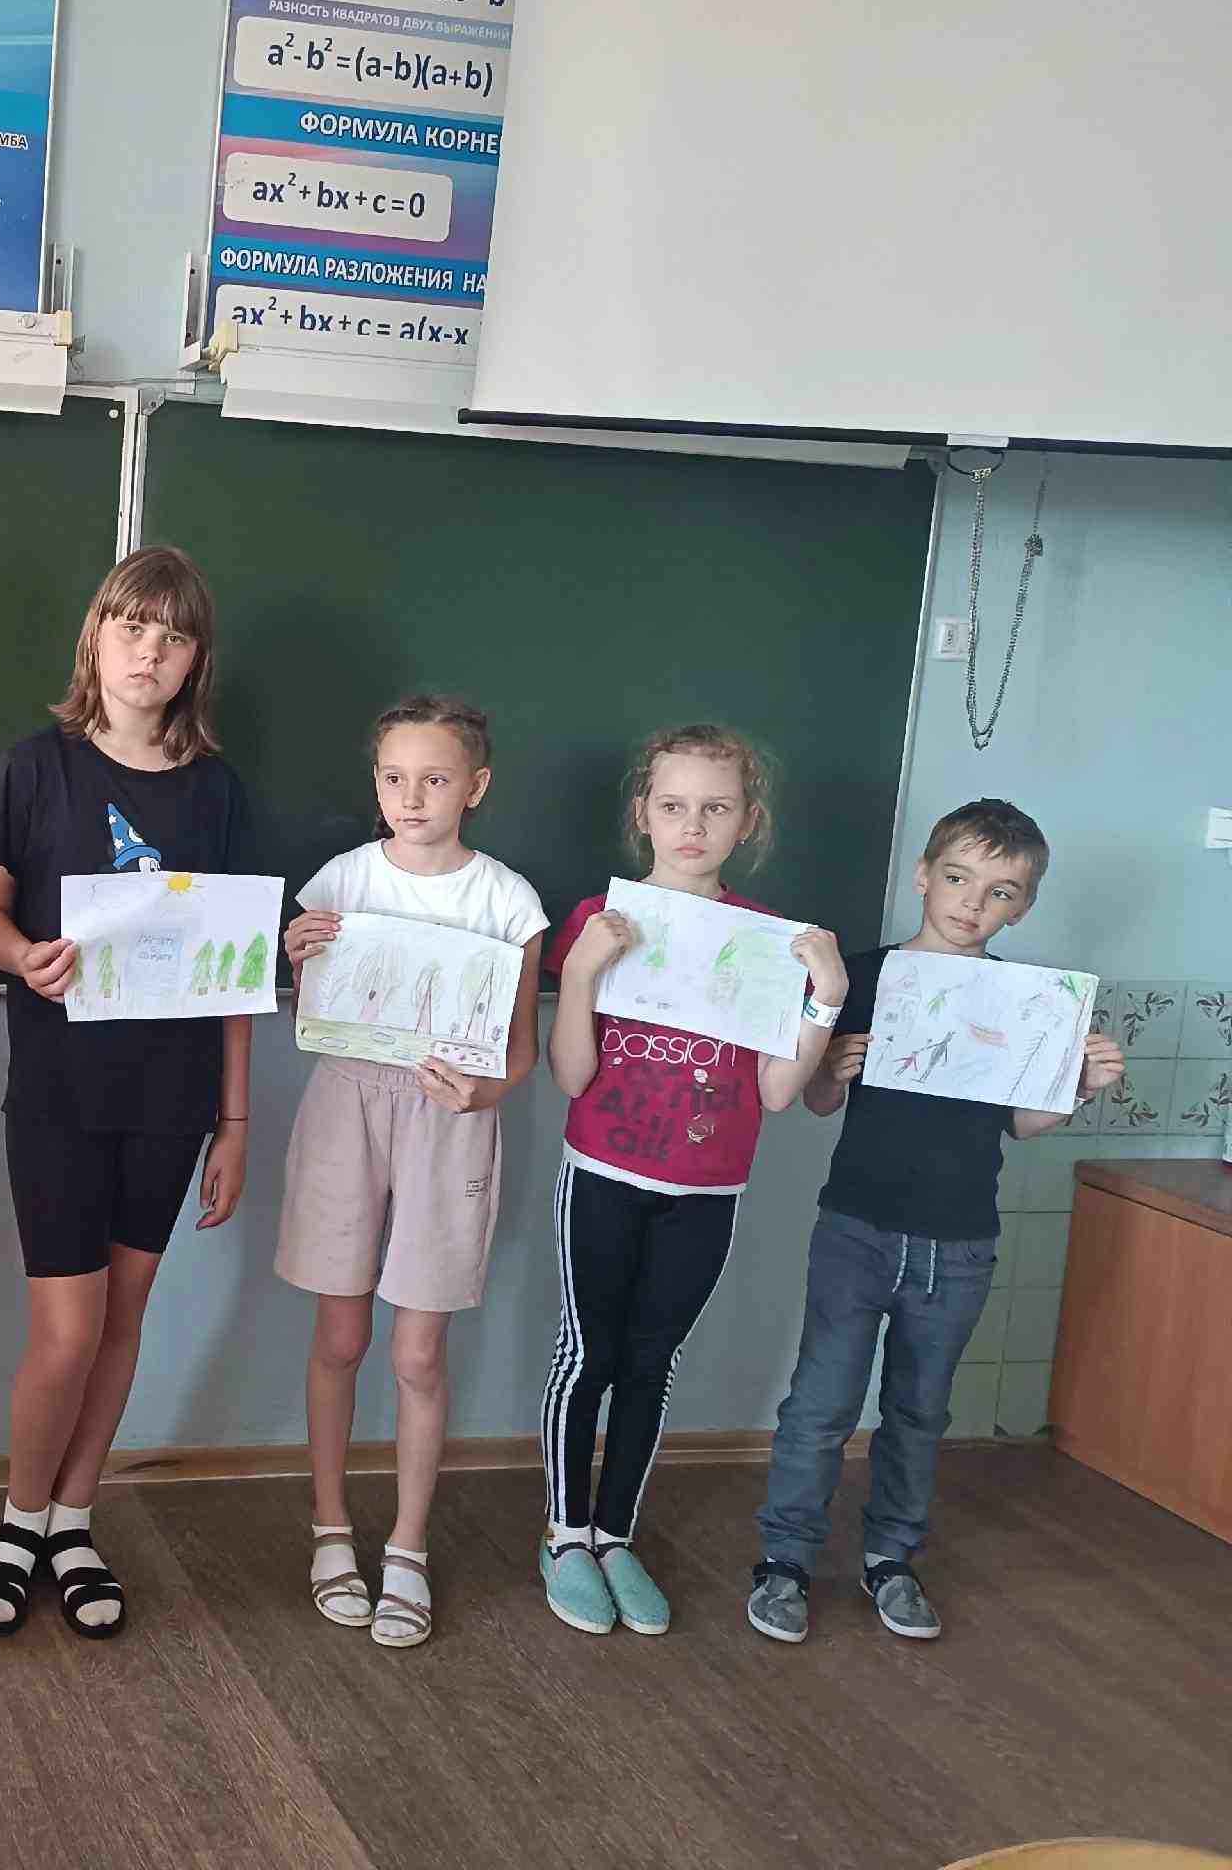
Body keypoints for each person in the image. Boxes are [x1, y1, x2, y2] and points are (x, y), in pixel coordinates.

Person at [0, 546, 253, 1641]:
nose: (149, 652)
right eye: (132, 626)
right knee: (66, 1331)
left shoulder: (218, 792)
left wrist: (235, 1120)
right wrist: (21, 956)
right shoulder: (35, 768)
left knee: (125, 1318)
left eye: (173, 637)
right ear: (96, 636)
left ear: (195, 661)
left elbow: (236, 971)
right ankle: (17, 1521)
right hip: (58, 1092)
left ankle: (73, 1521)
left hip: (171, 1100)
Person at [748, 799, 1121, 1643]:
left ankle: (891, 1559)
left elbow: (1024, 1123)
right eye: (957, 879)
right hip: (858, 1228)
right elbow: (816, 1103)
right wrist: (833, 1072)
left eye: (1000, 892)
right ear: (924, 876)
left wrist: (1079, 1085)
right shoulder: (862, 977)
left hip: (960, 1243)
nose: (972, 903)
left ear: (1022, 906)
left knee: (919, 1412)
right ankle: (785, 1561)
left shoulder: (1024, 1001)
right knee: (820, 1406)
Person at [536, 724, 844, 1636]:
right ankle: (563, 1535)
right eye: (673, 805)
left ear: (748, 821)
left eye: (716, 808)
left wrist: (825, 999)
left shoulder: (768, 942)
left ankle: (613, 1535)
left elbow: (780, 1092)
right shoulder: (600, 919)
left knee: (650, 1361)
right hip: (604, 1171)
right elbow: (571, 1077)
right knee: (587, 1354)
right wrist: (582, 973)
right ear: (644, 813)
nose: (692, 825)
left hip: (707, 1189)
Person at [278, 695, 547, 1648]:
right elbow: (311, 1005)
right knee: (341, 1336)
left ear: (475, 786)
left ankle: (408, 1546)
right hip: (347, 1104)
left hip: (449, 1115)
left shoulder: (507, 901)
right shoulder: (341, 879)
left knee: (418, 1354)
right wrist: (293, 954)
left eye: (435, 779)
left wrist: (483, 1095)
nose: (412, 796)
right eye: (394, 778)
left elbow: (520, 1046)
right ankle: (329, 1527)